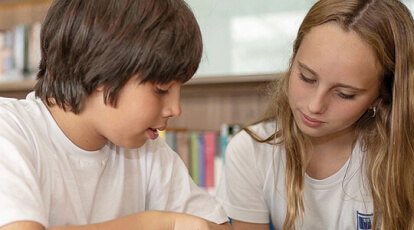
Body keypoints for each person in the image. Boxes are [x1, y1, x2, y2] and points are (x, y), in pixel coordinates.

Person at [0, 0, 231, 229]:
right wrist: (157, 223)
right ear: (102, 72)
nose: (176, 109)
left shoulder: (147, 150)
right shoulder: (11, 130)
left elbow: (218, 225)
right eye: (161, 89)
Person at [216, 0, 414, 229]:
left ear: (381, 96)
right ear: (293, 56)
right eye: (307, 78)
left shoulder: (403, 158)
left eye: (344, 94)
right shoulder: (250, 151)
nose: (315, 105)